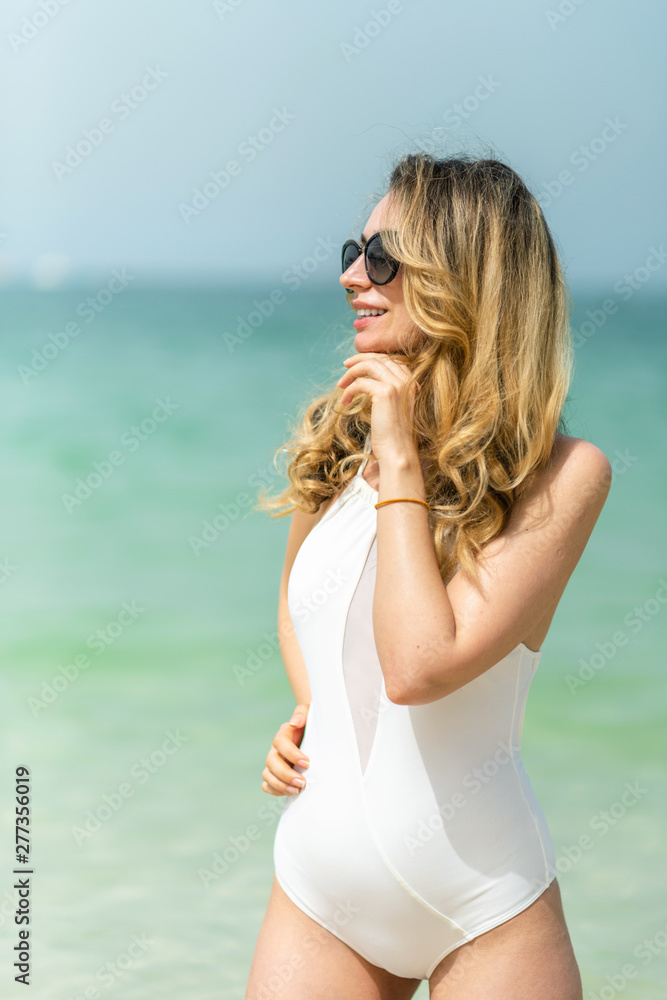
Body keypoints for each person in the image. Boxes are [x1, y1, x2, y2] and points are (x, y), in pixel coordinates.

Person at [246, 152, 611, 999]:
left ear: (463, 280)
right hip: (316, 896)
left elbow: (418, 665)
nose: (349, 276)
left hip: (481, 912)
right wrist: (313, 713)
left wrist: (401, 454)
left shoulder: (560, 476)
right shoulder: (342, 439)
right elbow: (299, 605)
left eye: (381, 258)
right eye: (352, 249)